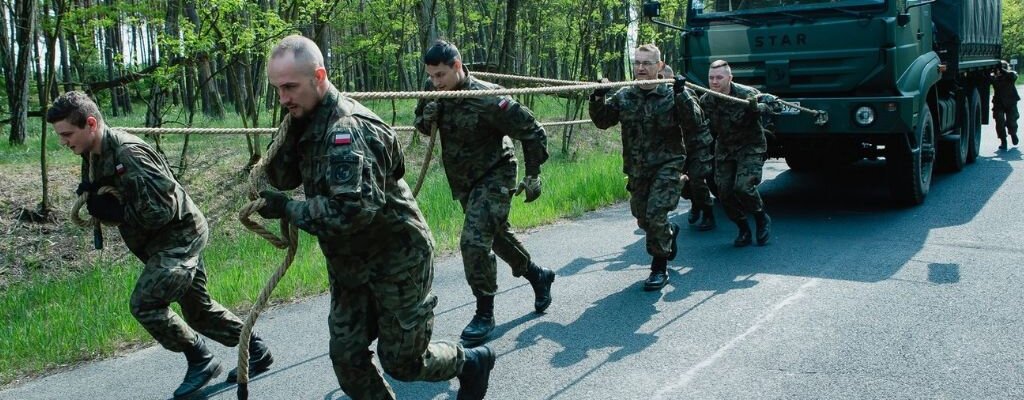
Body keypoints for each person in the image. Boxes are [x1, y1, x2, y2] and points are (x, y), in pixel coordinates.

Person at [259, 35, 493, 400]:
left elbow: (352, 213)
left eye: (290, 87)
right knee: (347, 358)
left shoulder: (347, 130)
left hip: (396, 259)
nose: (283, 98)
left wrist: (288, 209)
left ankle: (470, 362)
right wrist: (290, 129)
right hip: (349, 264)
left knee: (402, 363)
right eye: (277, 89)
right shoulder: (306, 119)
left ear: (319, 76)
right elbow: (283, 177)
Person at [47, 91, 274, 399]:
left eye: (67, 134)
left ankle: (200, 358)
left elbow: (161, 211)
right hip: (159, 242)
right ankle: (256, 349)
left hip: (180, 237)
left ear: (90, 124)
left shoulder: (129, 154)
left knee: (146, 304)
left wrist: (117, 211)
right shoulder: (93, 154)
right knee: (199, 312)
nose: (63, 142)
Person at [414, 39, 556, 345]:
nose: (435, 82)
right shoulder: (432, 91)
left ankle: (484, 313)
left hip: (496, 174)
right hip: (465, 181)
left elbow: (533, 131)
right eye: (431, 76)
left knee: (474, 243)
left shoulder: (489, 98)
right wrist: (426, 118)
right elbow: (422, 125)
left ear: (457, 66)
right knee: (498, 238)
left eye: (440, 75)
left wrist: (533, 175)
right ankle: (538, 275)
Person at [588, 44, 706, 291]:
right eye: (638, 62)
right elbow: (602, 121)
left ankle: (658, 268)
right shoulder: (624, 95)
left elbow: (694, 123)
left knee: (655, 215)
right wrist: (599, 96)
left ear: (660, 66)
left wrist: (682, 93)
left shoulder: (672, 93)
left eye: (647, 63)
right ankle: (668, 232)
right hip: (637, 168)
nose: (641, 68)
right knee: (643, 220)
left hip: (668, 165)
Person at [699, 60, 774, 247]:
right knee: (723, 193)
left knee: (743, 187)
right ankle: (743, 228)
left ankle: (761, 217)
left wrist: (759, 106)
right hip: (725, 148)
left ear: (730, 78)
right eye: (711, 78)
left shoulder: (747, 94)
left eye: (719, 77)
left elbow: (770, 108)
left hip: (750, 146)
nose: (714, 82)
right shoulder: (706, 100)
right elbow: (699, 125)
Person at [992, 60, 1020, 150]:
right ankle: (1003, 141)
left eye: (1003, 67)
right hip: (999, 102)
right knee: (999, 122)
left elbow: (1013, 76)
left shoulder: (1010, 75)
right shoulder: (994, 77)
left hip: (1011, 102)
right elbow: (987, 79)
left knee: (1011, 121)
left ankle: (1013, 134)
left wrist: (1003, 70)